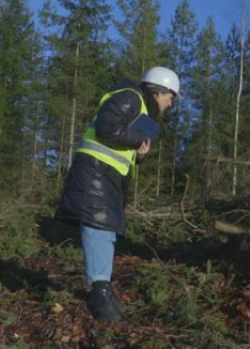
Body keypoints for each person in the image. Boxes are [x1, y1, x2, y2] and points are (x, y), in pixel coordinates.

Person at [54, 66, 180, 321]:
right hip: (95, 172)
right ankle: (99, 291)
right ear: (159, 90)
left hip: (105, 175)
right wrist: (136, 141)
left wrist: (140, 153)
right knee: (99, 225)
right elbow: (107, 128)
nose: (170, 103)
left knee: (106, 228)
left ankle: (103, 287)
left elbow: (118, 143)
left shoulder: (140, 109)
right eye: (171, 96)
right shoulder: (130, 96)